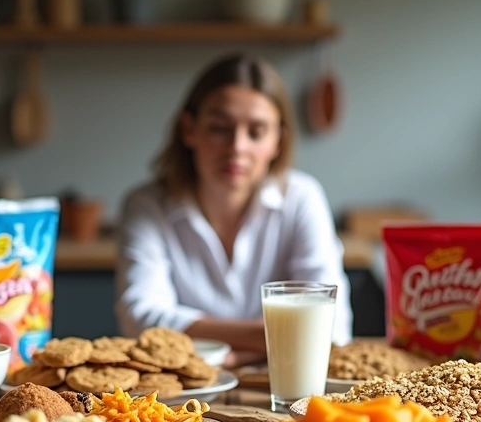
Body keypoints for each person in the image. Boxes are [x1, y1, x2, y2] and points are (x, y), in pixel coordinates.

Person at [115, 54, 353, 367]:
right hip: (180, 395)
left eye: (256, 132)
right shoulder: (146, 206)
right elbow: (140, 319)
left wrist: (223, 355)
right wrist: (276, 336)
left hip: (283, 390)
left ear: (277, 141)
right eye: (219, 128)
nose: (237, 147)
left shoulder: (302, 198)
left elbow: (332, 328)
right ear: (189, 129)